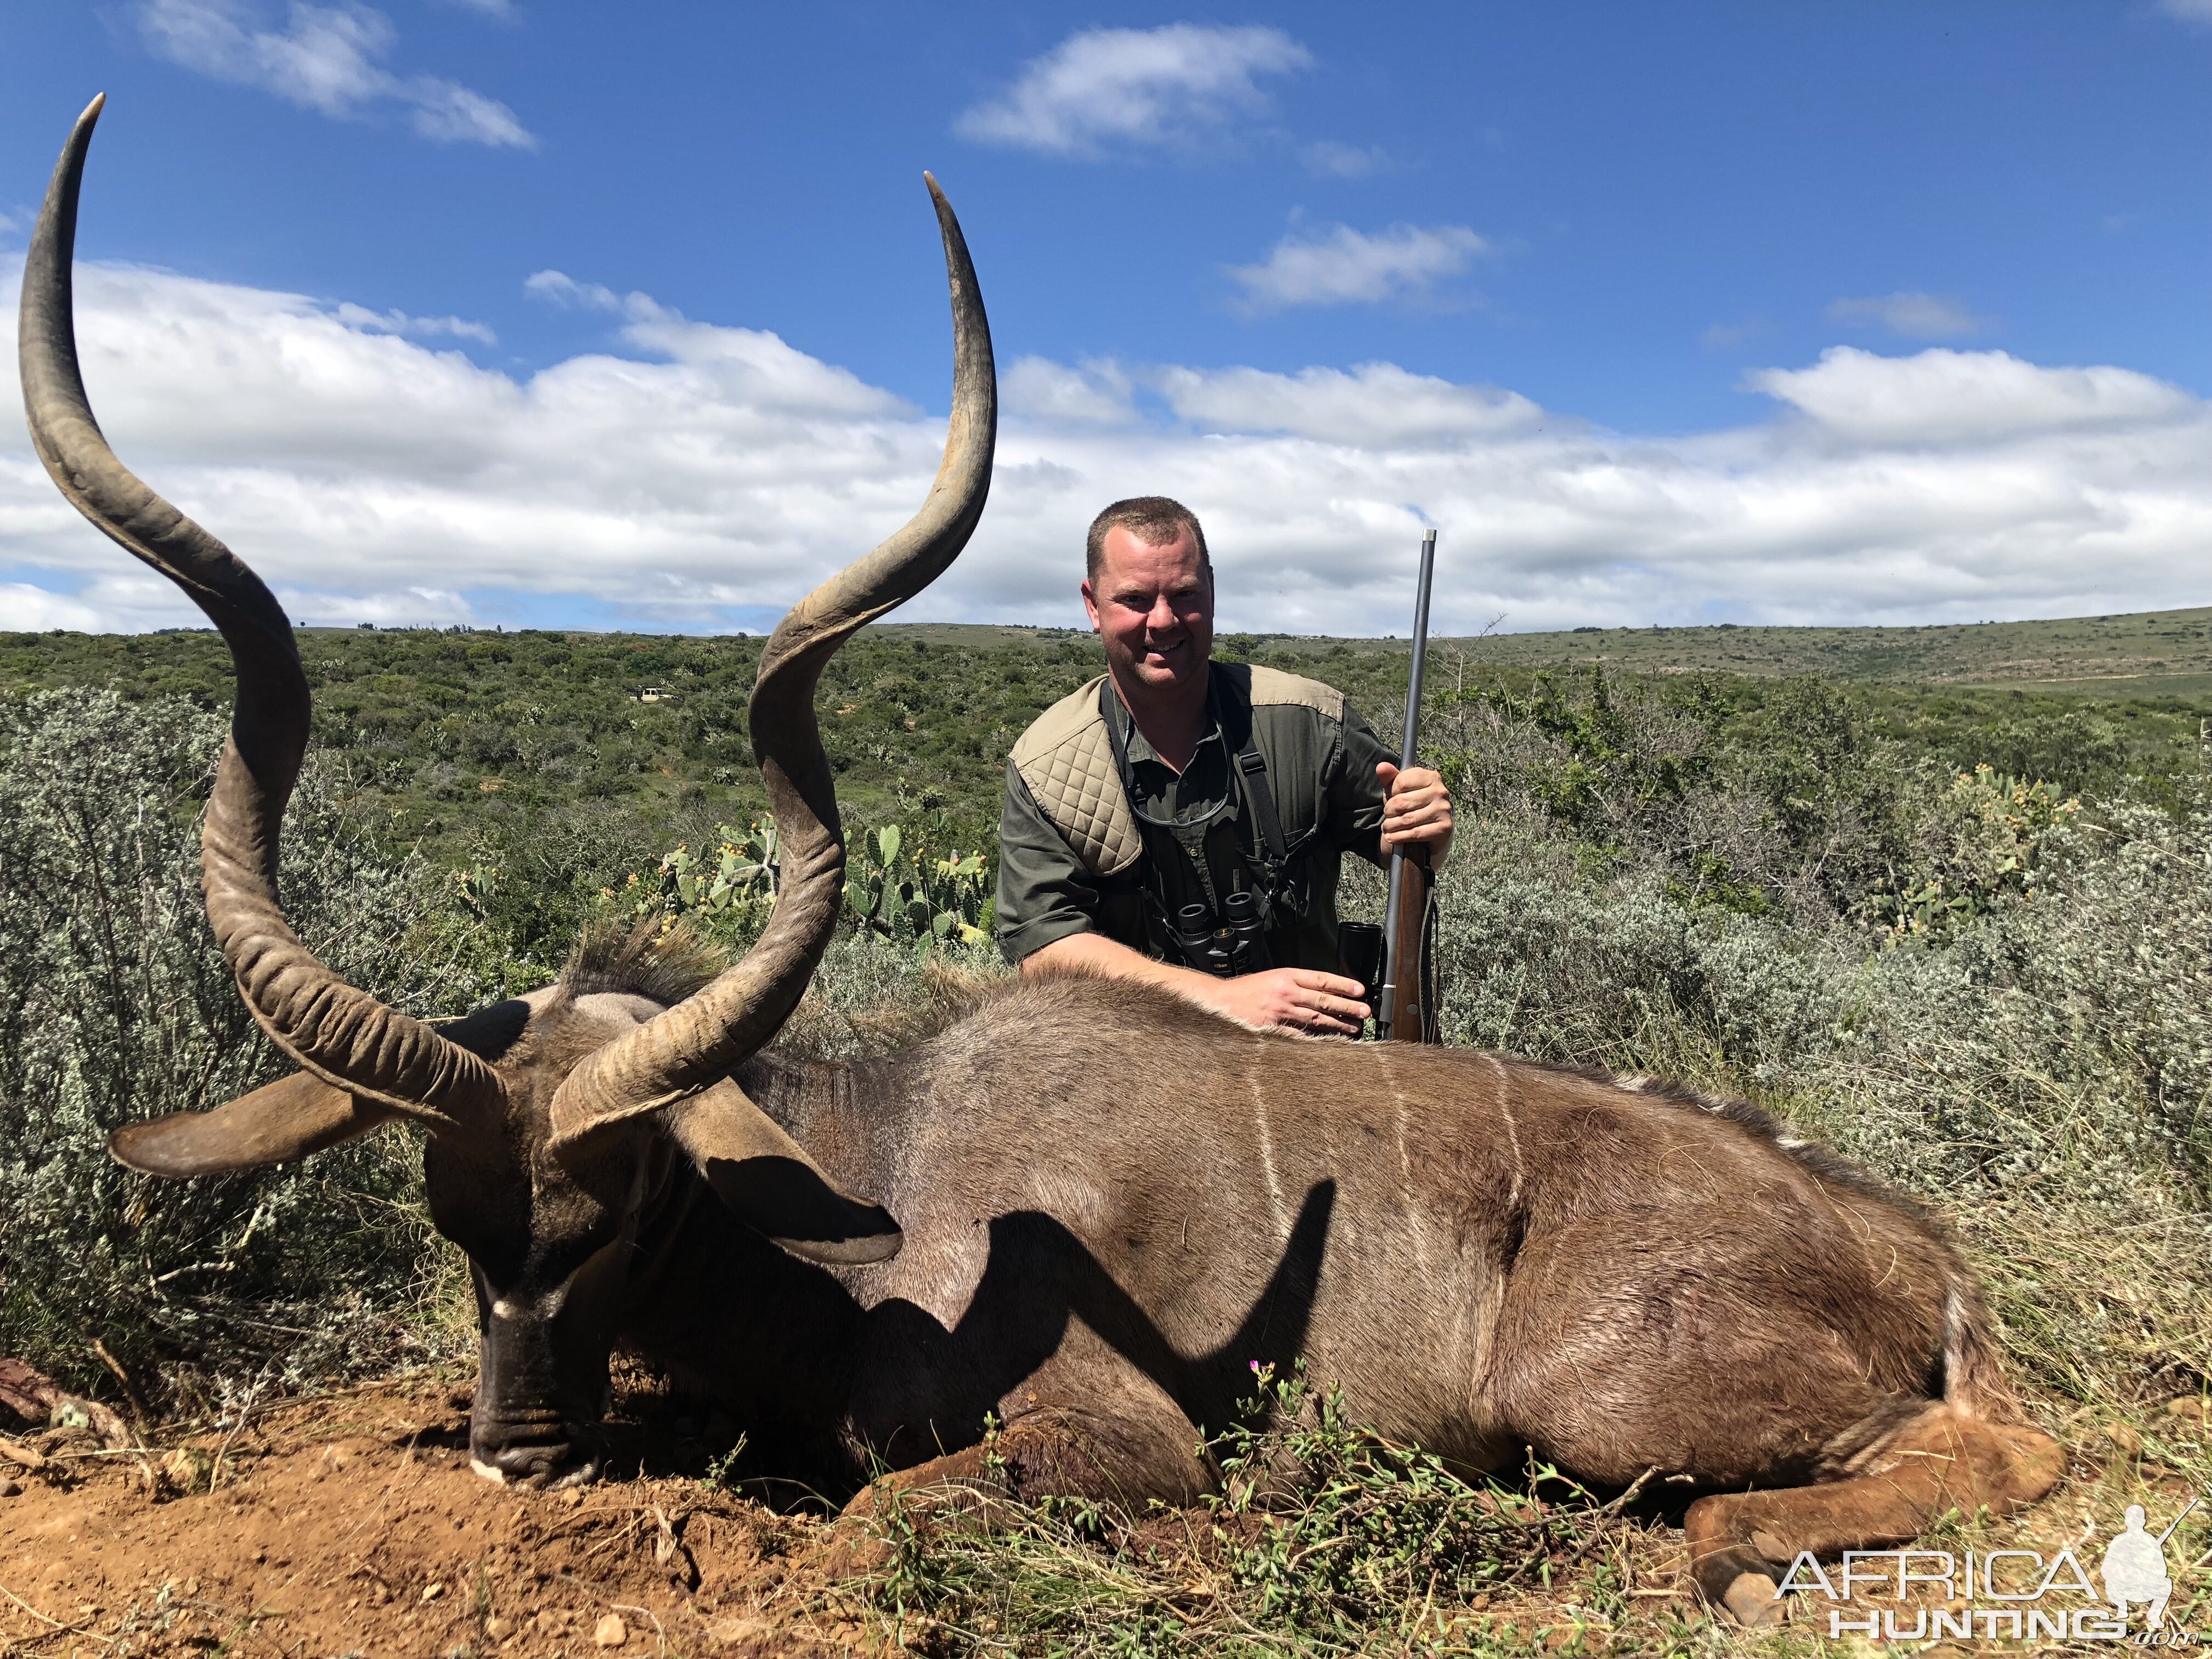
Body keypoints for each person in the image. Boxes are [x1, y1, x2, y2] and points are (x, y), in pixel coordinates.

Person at [994, 496, 1454, 1034]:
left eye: (1184, 595)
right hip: (1139, 1066)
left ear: (1211, 589)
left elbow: (1398, 844)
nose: (1163, 620)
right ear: (1093, 604)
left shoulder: (1311, 720)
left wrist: (1427, 828)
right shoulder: (1047, 764)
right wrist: (1222, 999)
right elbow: (1045, 945)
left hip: (1318, 1053)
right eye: (1135, 599)